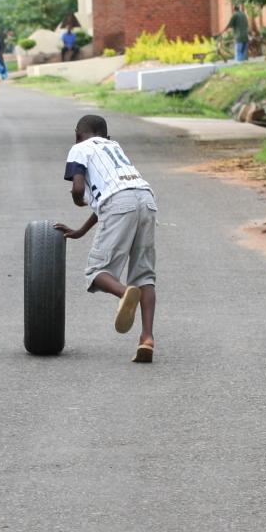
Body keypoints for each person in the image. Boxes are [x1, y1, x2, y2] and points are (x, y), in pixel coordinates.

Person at [53, 115, 158, 363]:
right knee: (145, 275)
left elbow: (80, 190)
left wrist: (78, 200)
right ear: (106, 136)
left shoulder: (79, 149)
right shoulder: (115, 147)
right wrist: (81, 230)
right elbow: (113, 197)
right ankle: (147, 338)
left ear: (78, 134)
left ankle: (124, 293)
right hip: (147, 199)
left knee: (97, 271)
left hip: (119, 203)